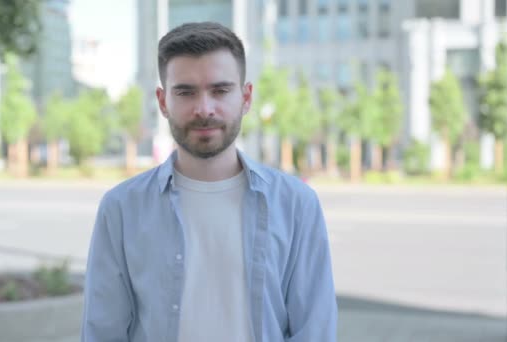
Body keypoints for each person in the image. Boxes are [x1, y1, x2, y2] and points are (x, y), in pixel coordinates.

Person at [81, 21, 337, 342]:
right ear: (162, 102)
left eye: (220, 90)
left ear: (246, 97)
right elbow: (103, 331)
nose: (204, 109)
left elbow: (314, 331)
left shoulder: (297, 204)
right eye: (186, 92)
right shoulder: (121, 208)